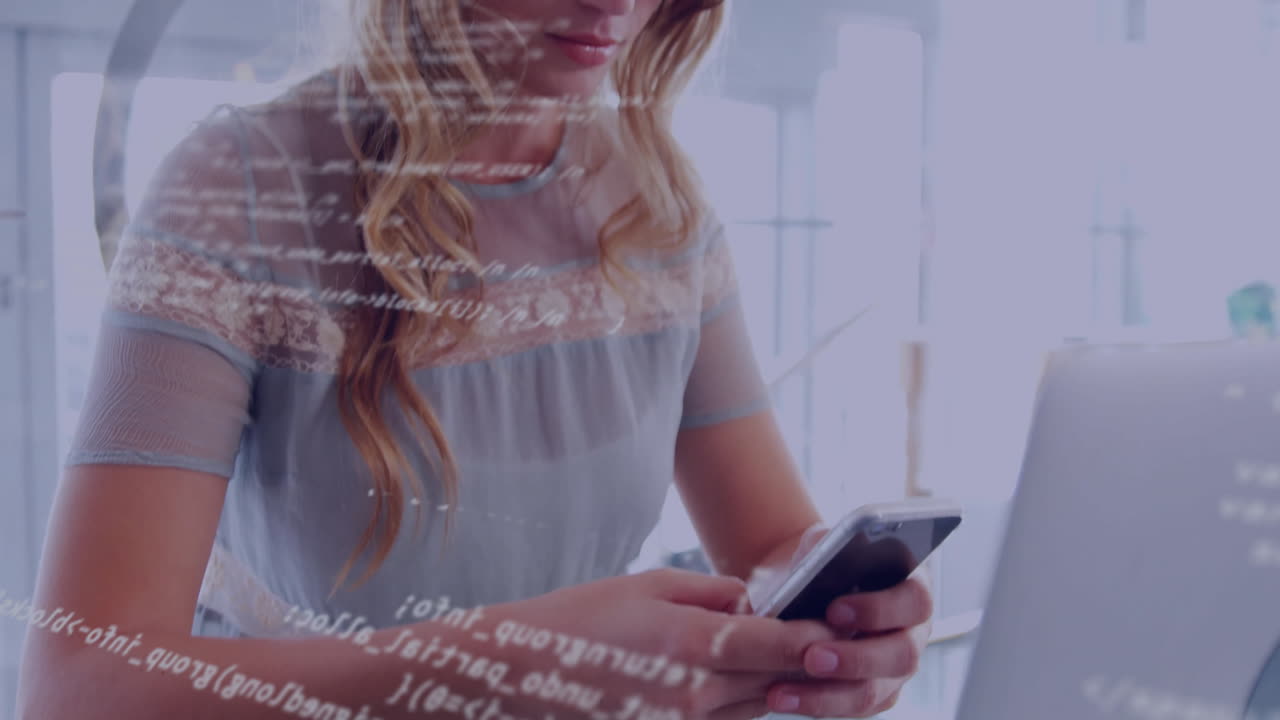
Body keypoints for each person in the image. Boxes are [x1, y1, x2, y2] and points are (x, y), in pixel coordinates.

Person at [17, 0, 934, 718]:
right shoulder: (238, 187)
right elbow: (79, 690)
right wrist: (509, 670)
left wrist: (838, 629)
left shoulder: (662, 207)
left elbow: (775, 548)